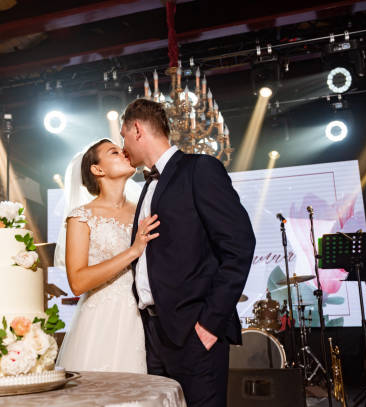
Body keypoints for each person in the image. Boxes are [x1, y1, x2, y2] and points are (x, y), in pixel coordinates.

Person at [121, 98, 256, 406]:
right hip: (153, 334)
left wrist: (209, 324)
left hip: (194, 334)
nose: (123, 144)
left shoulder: (200, 169)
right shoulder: (146, 187)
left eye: (124, 135)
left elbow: (239, 246)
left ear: (138, 129)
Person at [55, 139, 159, 373]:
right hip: (103, 320)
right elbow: (78, 282)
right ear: (97, 169)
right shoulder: (81, 217)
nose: (124, 154)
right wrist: (133, 251)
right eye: (114, 152)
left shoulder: (144, 210)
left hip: (146, 320)